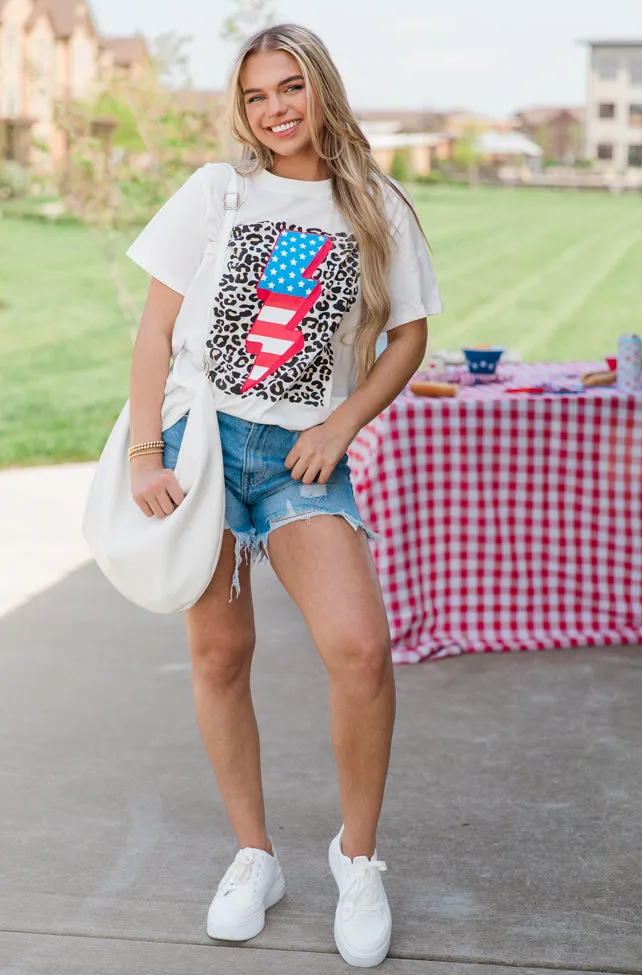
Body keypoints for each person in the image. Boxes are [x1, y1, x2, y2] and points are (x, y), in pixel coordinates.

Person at [125, 22, 441, 969]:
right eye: (257, 96)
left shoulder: (376, 205)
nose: (275, 111)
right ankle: (254, 855)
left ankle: (357, 857)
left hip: (304, 459)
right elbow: (155, 330)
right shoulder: (217, 192)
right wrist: (149, 451)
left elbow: (410, 336)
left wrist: (341, 425)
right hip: (206, 451)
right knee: (220, 656)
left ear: (321, 89)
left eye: (290, 88)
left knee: (361, 650)